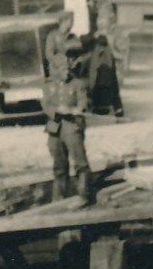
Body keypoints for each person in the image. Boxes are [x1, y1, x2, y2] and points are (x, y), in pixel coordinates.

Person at [42, 11, 93, 204]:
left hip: (72, 126)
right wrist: (56, 111)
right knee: (59, 165)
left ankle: (84, 194)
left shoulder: (78, 84)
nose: (65, 71)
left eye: (67, 67)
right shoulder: (50, 85)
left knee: (80, 162)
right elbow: (45, 103)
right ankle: (59, 198)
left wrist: (77, 110)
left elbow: (83, 102)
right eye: (60, 68)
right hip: (55, 127)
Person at [86, 16, 124, 117]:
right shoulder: (98, 37)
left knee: (109, 83)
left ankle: (114, 108)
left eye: (104, 23)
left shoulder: (109, 37)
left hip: (105, 65)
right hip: (101, 65)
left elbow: (117, 53)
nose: (103, 25)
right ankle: (114, 108)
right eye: (101, 23)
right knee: (107, 84)